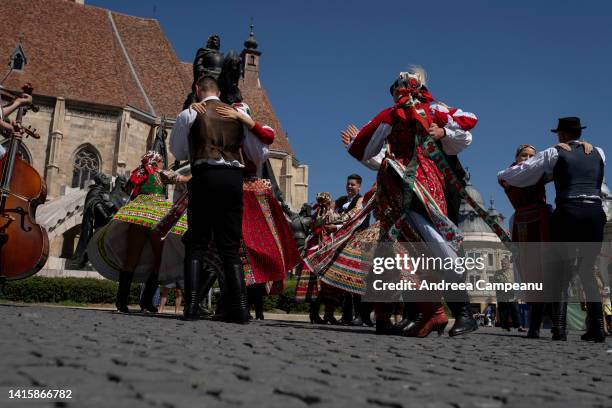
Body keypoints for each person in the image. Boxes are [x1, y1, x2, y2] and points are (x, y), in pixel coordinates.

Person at [345, 66, 478, 337]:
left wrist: (442, 133)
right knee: (403, 247)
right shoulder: (397, 116)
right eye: (396, 90)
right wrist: (357, 148)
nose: (399, 93)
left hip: (436, 186)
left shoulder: (434, 110)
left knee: (435, 246)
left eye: (401, 87)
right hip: (405, 187)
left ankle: (459, 313)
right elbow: (381, 157)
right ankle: (420, 314)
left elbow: (465, 132)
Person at [169, 76, 269, 323]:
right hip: (232, 179)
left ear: (196, 90)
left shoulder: (189, 114)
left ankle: (191, 307)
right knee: (230, 245)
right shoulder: (235, 113)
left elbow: (179, 152)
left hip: (204, 176)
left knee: (197, 242)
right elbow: (260, 154)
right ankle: (241, 309)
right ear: (219, 92)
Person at [498, 117, 606, 342]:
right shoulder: (599, 152)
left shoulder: (554, 153)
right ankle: (596, 328)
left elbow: (509, 175)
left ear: (562, 135)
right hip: (595, 214)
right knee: (587, 270)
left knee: (561, 272)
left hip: (569, 213)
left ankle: (560, 329)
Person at [87, 151, 190, 313]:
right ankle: (147, 301)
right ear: (155, 163)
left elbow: (128, 190)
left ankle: (121, 301)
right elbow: (183, 179)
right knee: (159, 259)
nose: (163, 163)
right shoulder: (160, 173)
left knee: (131, 259)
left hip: (138, 215)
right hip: (157, 217)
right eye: (161, 161)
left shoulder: (138, 173)